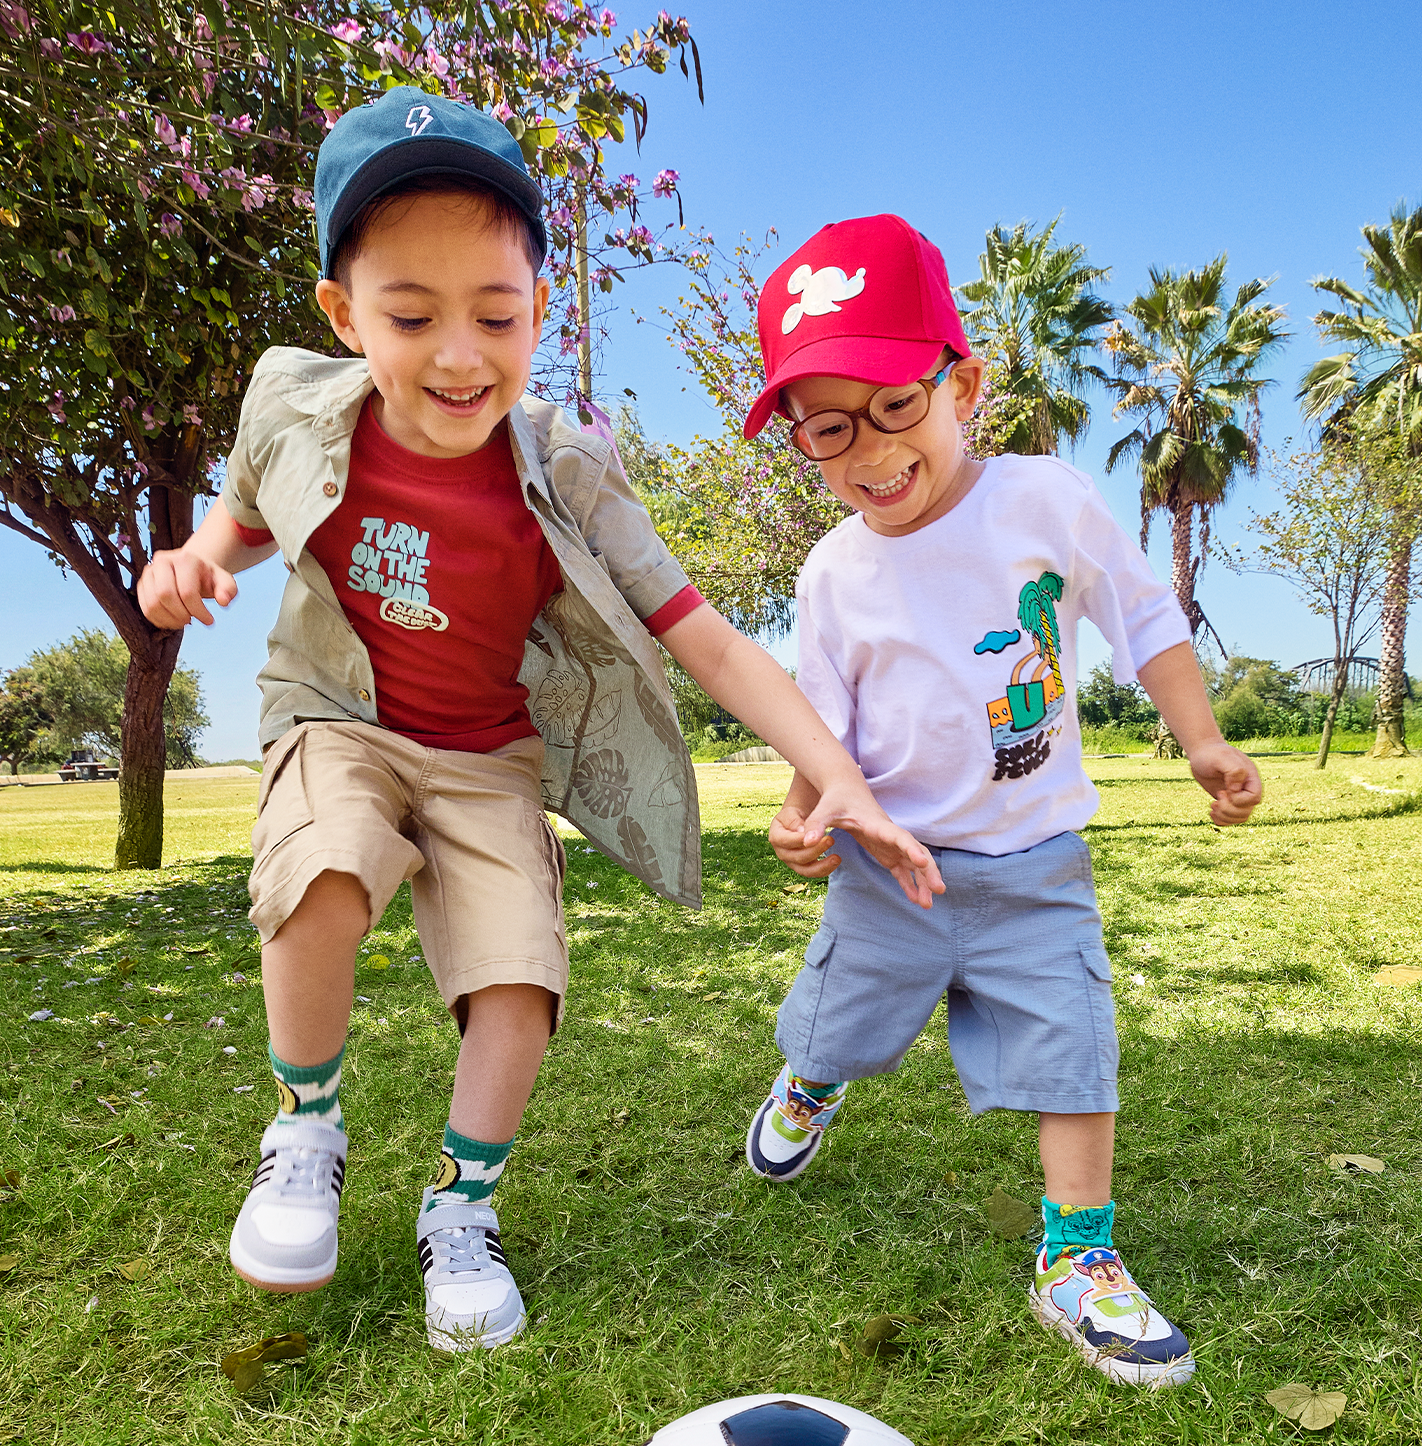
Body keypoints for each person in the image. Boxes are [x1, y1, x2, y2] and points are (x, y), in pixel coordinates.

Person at [137, 96, 941, 1352]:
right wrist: (187, 560)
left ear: (539, 308)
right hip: (335, 713)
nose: (460, 354)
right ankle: (305, 1124)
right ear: (345, 315)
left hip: (491, 757)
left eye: (496, 316)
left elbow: (709, 637)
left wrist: (836, 774)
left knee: (518, 980)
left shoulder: (567, 466)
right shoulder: (294, 408)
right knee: (326, 873)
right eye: (412, 316)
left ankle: (462, 1207)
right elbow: (244, 515)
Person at [739, 214, 1263, 1388]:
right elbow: (819, 715)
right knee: (840, 1024)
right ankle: (812, 1082)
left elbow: (1144, 617)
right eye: (829, 429)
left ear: (961, 384)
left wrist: (1204, 740)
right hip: (892, 869)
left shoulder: (1044, 502)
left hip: (1036, 864)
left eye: (893, 407)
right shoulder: (832, 572)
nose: (869, 451)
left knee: (1075, 1050)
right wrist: (804, 807)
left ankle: (1075, 1261)